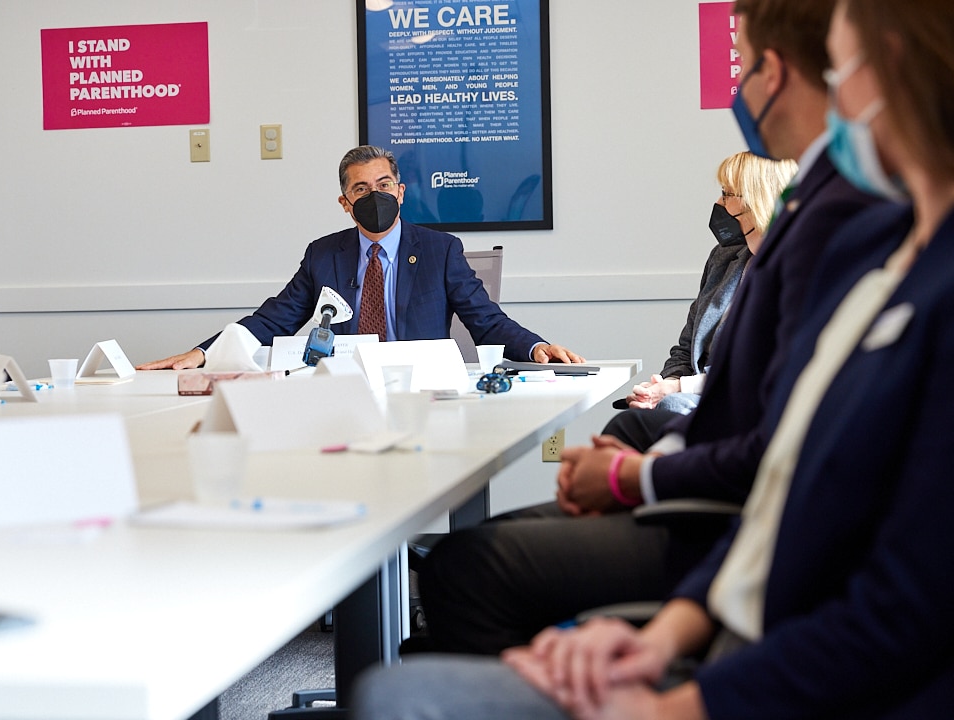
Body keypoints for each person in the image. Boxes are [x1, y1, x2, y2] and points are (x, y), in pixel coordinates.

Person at [354, 0, 954, 715]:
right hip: (723, 585)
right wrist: (665, 636)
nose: (837, 94)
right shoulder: (876, 255)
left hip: (746, 620)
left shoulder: (872, 246)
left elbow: (891, 599)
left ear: (895, 73)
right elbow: (781, 493)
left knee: (452, 602)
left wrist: (637, 483)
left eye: (845, 65)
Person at [138, 146, 583, 370]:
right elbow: (272, 320)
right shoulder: (323, 254)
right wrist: (202, 353)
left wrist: (535, 345)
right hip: (345, 390)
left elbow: (486, 320)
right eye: (361, 189)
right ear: (345, 203)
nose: (375, 196)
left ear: (401, 192)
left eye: (384, 184)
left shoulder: (439, 249)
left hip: (417, 388)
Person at [624, 152, 797, 417]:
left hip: (750, 407)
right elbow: (685, 349)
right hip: (693, 403)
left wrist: (676, 388)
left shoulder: (794, 269)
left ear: (758, 199)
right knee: (640, 416)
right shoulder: (722, 258)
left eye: (728, 194)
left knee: (660, 414)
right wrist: (659, 389)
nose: (719, 202)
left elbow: (762, 367)